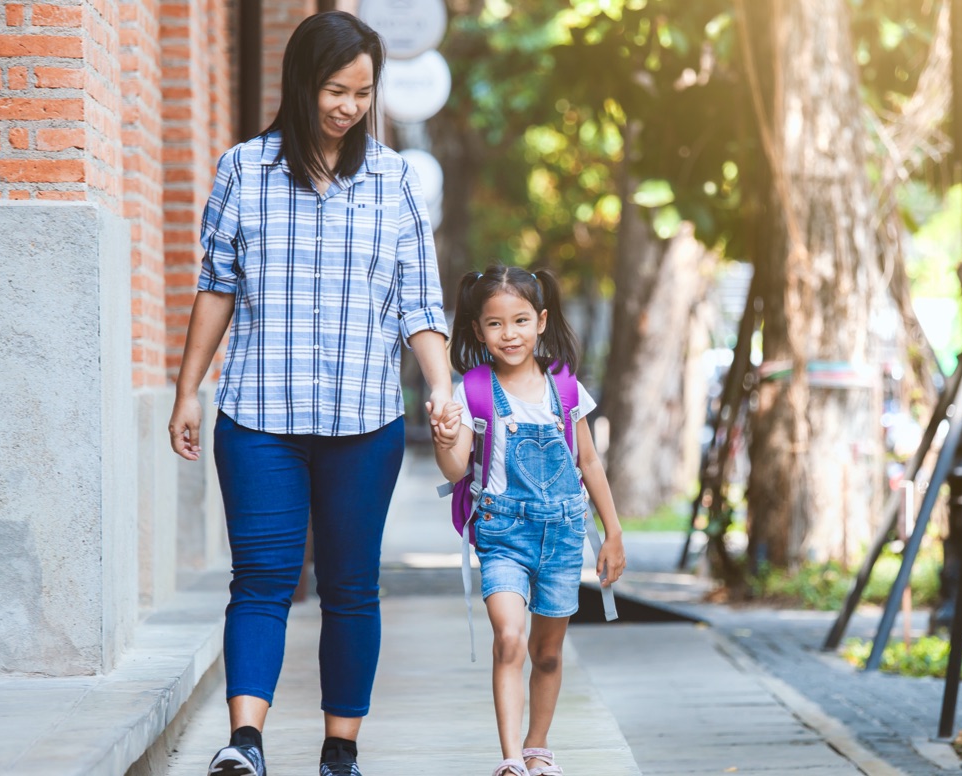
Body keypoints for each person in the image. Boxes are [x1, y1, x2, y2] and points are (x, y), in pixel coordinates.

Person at [167, 12, 451, 776]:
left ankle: (340, 752)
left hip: (364, 420)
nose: (349, 107)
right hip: (259, 417)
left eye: (362, 93)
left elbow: (420, 304)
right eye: (335, 89)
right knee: (259, 578)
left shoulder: (391, 178)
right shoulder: (242, 170)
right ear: (301, 83)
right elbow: (216, 290)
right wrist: (188, 389)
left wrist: (443, 391)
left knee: (351, 587)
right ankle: (246, 743)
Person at [431, 266, 626, 776]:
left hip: (562, 535)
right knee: (510, 639)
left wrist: (613, 532)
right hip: (502, 535)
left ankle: (538, 746)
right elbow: (456, 471)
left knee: (547, 653)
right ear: (477, 330)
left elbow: (588, 462)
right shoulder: (471, 391)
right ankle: (511, 759)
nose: (509, 334)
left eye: (520, 320)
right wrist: (444, 438)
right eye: (495, 324)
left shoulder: (564, 386)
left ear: (540, 321)